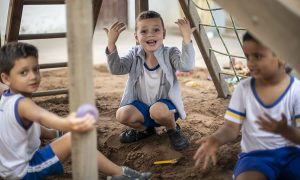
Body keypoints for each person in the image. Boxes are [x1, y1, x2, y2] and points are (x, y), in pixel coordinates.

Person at [0, 42, 151, 180]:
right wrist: (68, 123)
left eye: (36, 69)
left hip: (8, 168)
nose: (33, 76)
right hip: (26, 171)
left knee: (33, 124)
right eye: (23, 73)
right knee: (75, 139)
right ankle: (120, 174)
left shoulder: (6, 95)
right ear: (6, 78)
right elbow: (43, 116)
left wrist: (57, 131)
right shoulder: (24, 104)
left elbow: (34, 120)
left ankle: (55, 134)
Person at [193, 32, 300, 180]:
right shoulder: (244, 89)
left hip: (293, 155)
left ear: (281, 57)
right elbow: (231, 128)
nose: (250, 63)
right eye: (247, 56)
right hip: (256, 157)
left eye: (257, 56)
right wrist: (216, 139)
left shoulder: (296, 91)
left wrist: (284, 130)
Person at [104, 10, 196, 150]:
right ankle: (146, 130)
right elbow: (117, 69)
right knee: (122, 115)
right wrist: (111, 43)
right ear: (136, 36)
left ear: (163, 34)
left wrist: (186, 39)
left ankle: (172, 129)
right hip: (143, 108)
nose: (150, 34)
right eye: (144, 31)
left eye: (156, 30)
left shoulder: (170, 53)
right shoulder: (134, 54)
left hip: (165, 109)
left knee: (157, 110)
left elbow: (186, 66)